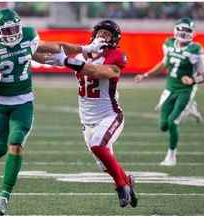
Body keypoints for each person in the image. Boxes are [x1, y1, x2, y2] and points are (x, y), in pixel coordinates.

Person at [0, 8, 105, 215]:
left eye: (14, 28)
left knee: (16, 143)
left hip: (23, 102)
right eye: (7, 29)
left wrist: (85, 48)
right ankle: (2, 166)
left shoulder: (28, 36)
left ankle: (4, 195)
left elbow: (56, 47)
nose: (12, 33)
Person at [46, 20, 138, 208]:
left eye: (107, 34)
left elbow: (99, 72)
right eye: (100, 33)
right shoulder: (84, 52)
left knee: (98, 144)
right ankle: (126, 179)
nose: (103, 36)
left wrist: (66, 60)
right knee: (104, 164)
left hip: (110, 115)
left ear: (115, 39)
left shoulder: (117, 55)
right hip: (87, 119)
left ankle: (121, 186)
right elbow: (50, 49)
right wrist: (31, 51)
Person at [134, 17, 204, 166]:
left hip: (185, 90)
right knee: (163, 126)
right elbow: (164, 64)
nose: (184, 32)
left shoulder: (196, 49)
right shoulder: (168, 44)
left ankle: (171, 157)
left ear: (193, 33)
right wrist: (145, 75)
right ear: (176, 29)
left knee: (172, 122)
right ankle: (190, 108)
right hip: (169, 89)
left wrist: (193, 80)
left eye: (188, 30)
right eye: (182, 29)